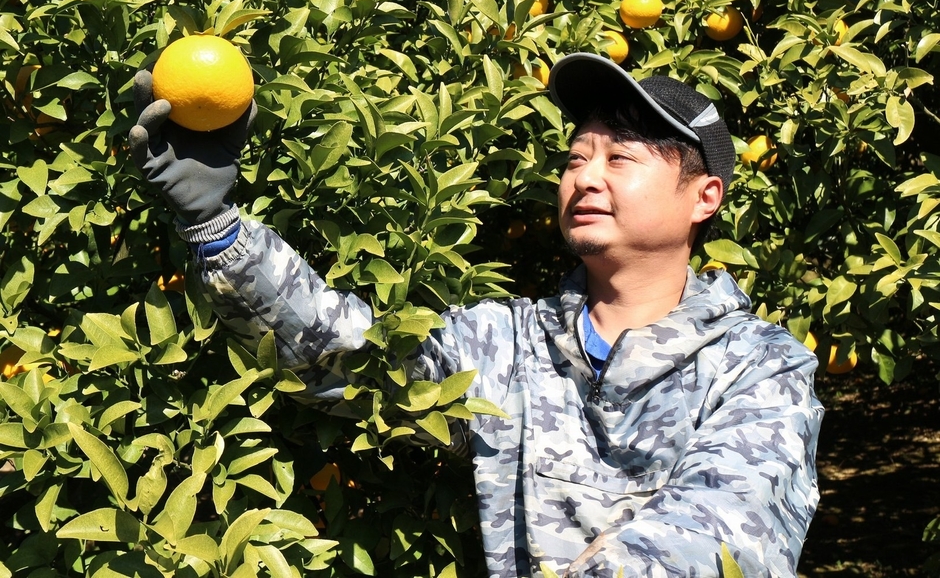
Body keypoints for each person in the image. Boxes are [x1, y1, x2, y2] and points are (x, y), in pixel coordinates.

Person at [130, 52, 823, 578]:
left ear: (704, 197)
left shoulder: (760, 368)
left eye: (620, 158)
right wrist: (217, 229)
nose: (585, 176)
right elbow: (353, 365)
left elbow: (717, 539)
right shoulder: (507, 342)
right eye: (576, 158)